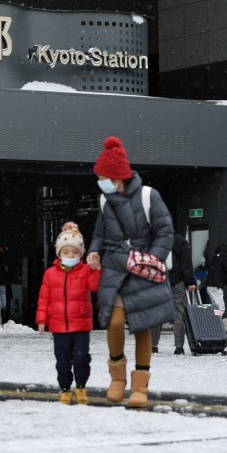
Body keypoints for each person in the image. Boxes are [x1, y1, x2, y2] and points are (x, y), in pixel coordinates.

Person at [86, 136, 174, 408]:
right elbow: (100, 233)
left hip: (143, 270)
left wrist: (151, 260)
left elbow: (165, 232)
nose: (100, 180)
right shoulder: (105, 200)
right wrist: (94, 251)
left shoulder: (149, 196)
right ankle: (117, 379)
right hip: (115, 269)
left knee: (142, 327)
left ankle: (140, 386)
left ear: (117, 177)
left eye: (103, 176)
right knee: (113, 323)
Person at [36, 222, 101, 405]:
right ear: (59, 253)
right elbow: (44, 298)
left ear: (81, 253)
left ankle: (80, 386)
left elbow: (95, 286)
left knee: (81, 357)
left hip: (80, 323)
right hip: (58, 325)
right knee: (62, 360)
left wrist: (96, 269)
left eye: (74, 252)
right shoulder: (50, 274)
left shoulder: (86, 270)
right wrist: (41, 319)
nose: (70, 256)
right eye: (66, 252)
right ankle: (65, 388)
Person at [150, 230, 196, 355]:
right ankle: (179, 346)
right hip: (176, 282)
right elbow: (186, 263)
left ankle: (153, 345)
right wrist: (190, 281)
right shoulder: (179, 240)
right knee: (179, 315)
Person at [205, 243, 227, 317]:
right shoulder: (224, 256)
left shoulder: (216, 257)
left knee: (216, 308)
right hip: (215, 286)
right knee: (220, 308)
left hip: (210, 286)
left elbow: (222, 276)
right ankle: (217, 325)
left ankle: (214, 323)